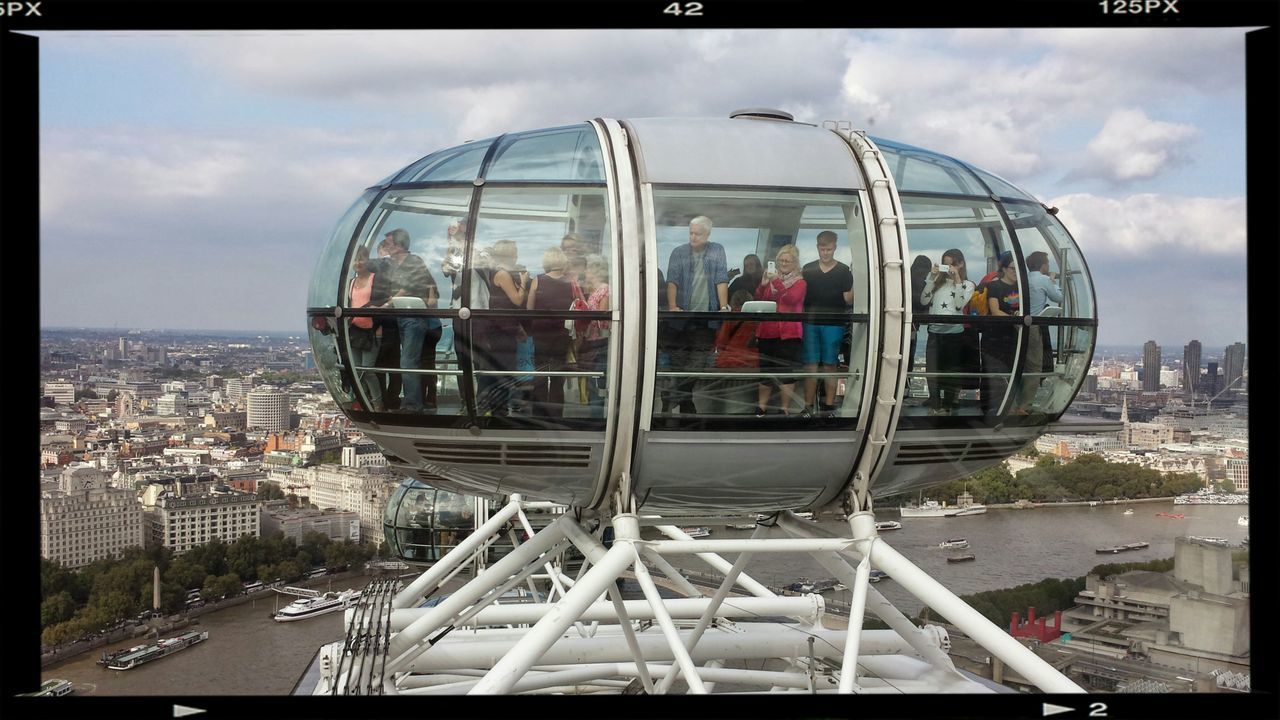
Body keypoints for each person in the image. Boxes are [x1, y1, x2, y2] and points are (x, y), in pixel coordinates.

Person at [664, 216, 730, 414]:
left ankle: (675, 399)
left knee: (697, 363)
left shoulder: (717, 250)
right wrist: (673, 307)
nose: (693, 237)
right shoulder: (679, 252)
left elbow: (721, 279)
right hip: (681, 320)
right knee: (678, 362)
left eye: (698, 234)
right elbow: (672, 281)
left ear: (708, 234)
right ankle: (686, 403)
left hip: (705, 320)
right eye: (691, 233)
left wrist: (724, 307)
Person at [371, 228, 440, 413]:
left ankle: (412, 405)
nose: (385, 247)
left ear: (399, 245)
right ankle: (412, 401)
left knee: (409, 361)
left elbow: (408, 287)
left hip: (413, 318)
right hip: (401, 317)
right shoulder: (393, 265)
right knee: (408, 360)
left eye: (388, 244)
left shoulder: (414, 262)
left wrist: (384, 306)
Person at [800, 231, 854, 416]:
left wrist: (859, 279)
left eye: (829, 249)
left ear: (835, 248)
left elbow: (848, 299)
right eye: (822, 249)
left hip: (834, 323)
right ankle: (808, 405)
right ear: (817, 248)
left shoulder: (844, 271)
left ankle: (829, 405)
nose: (825, 253)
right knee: (811, 364)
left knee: (831, 364)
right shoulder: (807, 269)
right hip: (810, 322)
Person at [474, 240, 528, 416]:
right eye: (515, 252)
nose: (517, 255)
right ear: (510, 255)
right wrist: (524, 282)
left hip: (500, 327)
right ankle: (498, 408)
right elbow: (517, 300)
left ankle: (487, 405)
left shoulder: (499, 273)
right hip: (501, 329)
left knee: (496, 367)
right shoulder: (503, 274)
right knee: (504, 368)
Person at [920, 248, 975, 415]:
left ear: (961, 264)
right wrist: (932, 277)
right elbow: (924, 300)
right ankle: (934, 405)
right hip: (935, 332)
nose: (949, 268)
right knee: (932, 370)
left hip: (954, 333)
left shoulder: (968, 285)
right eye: (946, 264)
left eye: (952, 264)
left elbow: (959, 305)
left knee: (952, 371)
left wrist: (957, 280)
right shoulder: (937, 283)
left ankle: (948, 406)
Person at [754, 245, 807, 416]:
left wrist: (776, 281)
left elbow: (791, 299)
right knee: (765, 372)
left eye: (787, 260)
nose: (783, 263)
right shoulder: (770, 281)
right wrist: (763, 285)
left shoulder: (800, 282)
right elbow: (759, 300)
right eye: (780, 260)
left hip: (788, 334)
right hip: (767, 332)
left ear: (795, 263)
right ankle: (761, 408)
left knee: (786, 374)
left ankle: (784, 409)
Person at [526, 246, 575, 418]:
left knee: (540, 375)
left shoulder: (538, 280)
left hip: (540, 334)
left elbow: (529, 308)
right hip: (562, 335)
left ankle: (538, 415)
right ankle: (556, 415)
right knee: (557, 378)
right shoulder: (571, 283)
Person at [1018, 250, 1063, 412]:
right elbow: (1058, 298)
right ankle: (1025, 405)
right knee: (1034, 366)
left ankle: (1015, 402)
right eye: (1047, 264)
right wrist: (1053, 281)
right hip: (1033, 327)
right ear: (1043, 265)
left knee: (1020, 364)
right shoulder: (1043, 279)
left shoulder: (1024, 279)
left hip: (1017, 325)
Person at [980, 252, 1020, 416]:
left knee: (1010, 370)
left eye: (1017, 269)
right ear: (1004, 268)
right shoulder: (995, 286)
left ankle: (1007, 405)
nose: (1015, 272)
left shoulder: (1021, 288)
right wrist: (1014, 317)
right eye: (1012, 268)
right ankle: (991, 406)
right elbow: (995, 310)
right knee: (993, 370)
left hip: (1012, 335)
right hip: (995, 336)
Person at [347, 246, 384, 412]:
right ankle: (362, 401)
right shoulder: (351, 282)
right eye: (355, 259)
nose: (358, 263)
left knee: (367, 370)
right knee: (356, 371)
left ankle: (377, 403)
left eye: (361, 258)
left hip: (372, 332)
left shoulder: (375, 279)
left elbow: (382, 301)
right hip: (355, 331)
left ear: (368, 260)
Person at [709, 289, 758, 414]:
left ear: (733, 301)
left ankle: (717, 408)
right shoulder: (757, 318)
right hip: (753, 362)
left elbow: (720, 343)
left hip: (730, 361)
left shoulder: (732, 317)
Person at [576, 254, 611, 418]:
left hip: (599, 342)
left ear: (596, 270)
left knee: (597, 381)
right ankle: (594, 414)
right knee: (592, 381)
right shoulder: (594, 291)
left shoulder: (604, 289)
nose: (586, 272)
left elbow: (603, 320)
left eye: (588, 268)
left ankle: (597, 418)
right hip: (591, 341)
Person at [907, 255, 933, 375]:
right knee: (908, 359)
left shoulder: (905, 280)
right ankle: (906, 387)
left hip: (904, 323)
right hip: (913, 325)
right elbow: (923, 302)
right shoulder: (922, 283)